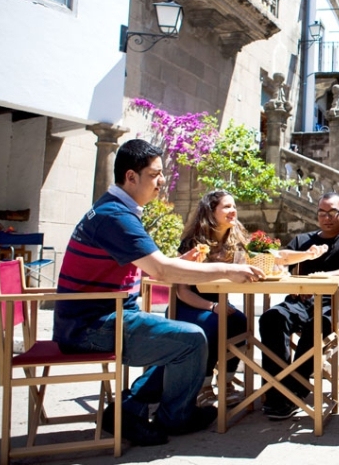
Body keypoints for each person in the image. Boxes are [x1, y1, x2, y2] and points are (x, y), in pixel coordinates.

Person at [52, 140, 264, 447]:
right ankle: (174, 417)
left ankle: (128, 410)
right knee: (191, 339)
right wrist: (227, 271)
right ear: (131, 177)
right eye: (156, 174)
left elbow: (150, 267)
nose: (162, 181)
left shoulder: (115, 210)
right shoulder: (116, 217)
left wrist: (176, 263)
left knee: (176, 336)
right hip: (91, 326)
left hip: (106, 316)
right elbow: (161, 272)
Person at [258, 192, 339, 420]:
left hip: (334, 306)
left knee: (315, 326)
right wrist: (305, 255)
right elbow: (279, 258)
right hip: (299, 302)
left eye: (332, 212)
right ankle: (277, 390)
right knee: (271, 318)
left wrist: (323, 276)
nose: (326, 217)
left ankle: (293, 390)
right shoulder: (303, 241)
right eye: (322, 213)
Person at [174, 190, 250, 408]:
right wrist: (213, 306)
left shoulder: (236, 241)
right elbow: (183, 291)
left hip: (218, 305)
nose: (233, 210)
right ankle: (204, 387)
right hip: (190, 304)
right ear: (211, 212)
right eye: (226, 207)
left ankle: (225, 383)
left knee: (240, 321)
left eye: (234, 206)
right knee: (214, 324)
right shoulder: (193, 243)